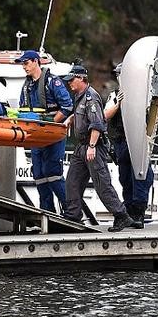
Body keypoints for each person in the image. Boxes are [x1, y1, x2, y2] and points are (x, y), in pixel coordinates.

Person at [62, 62, 135, 231]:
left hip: (92, 146)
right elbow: (83, 113)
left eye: (71, 80)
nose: (69, 83)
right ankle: (73, 216)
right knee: (72, 182)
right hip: (81, 147)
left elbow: (97, 123)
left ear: (81, 78)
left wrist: (92, 146)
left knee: (102, 184)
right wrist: (71, 118)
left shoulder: (91, 97)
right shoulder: (79, 96)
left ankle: (121, 215)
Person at [104, 63, 158, 229]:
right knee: (125, 178)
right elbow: (106, 115)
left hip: (138, 142)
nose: (119, 77)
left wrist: (157, 107)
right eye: (118, 74)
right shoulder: (115, 95)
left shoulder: (144, 95)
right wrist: (118, 104)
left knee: (142, 177)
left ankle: (139, 213)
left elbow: (154, 120)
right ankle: (129, 212)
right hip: (121, 142)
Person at [15, 50, 73, 212]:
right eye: (23, 64)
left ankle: (71, 211)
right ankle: (47, 212)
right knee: (39, 174)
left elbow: (67, 106)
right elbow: (23, 109)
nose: (24, 67)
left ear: (35, 61)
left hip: (52, 135)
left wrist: (51, 124)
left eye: (26, 63)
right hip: (36, 136)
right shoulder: (27, 86)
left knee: (53, 172)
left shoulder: (52, 82)